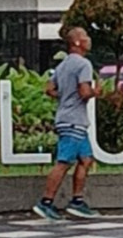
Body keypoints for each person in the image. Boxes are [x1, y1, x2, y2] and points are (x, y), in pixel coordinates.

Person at [33, 27, 100, 220]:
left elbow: (49, 88)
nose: (89, 39)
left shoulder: (62, 65)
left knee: (86, 160)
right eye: (85, 36)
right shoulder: (84, 64)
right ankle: (45, 202)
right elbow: (84, 92)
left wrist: (64, 96)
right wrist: (96, 92)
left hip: (68, 119)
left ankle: (77, 201)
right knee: (63, 162)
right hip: (74, 121)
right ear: (78, 42)